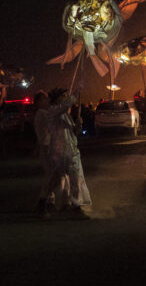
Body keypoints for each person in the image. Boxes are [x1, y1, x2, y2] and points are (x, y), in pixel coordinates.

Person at [45, 88, 91, 219]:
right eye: (64, 96)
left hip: (71, 151)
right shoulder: (52, 111)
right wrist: (76, 94)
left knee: (75, 179)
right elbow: (65, 106)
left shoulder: (65, 115)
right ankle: (46, 201)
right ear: (57, 98)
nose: (66, 98)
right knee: (57, 179)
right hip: (59, 151)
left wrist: (78, 126)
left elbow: (73, 133)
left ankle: (74, 205)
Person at [33, 91, 53, 218]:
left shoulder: (42, 113)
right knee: (51, 175)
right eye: (45, 98)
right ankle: (43, 202)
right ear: (39, 101)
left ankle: (49, 200)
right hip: (46, 147)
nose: (48, 100)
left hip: (46, 146)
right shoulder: (42, 113)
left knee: (53, 175)